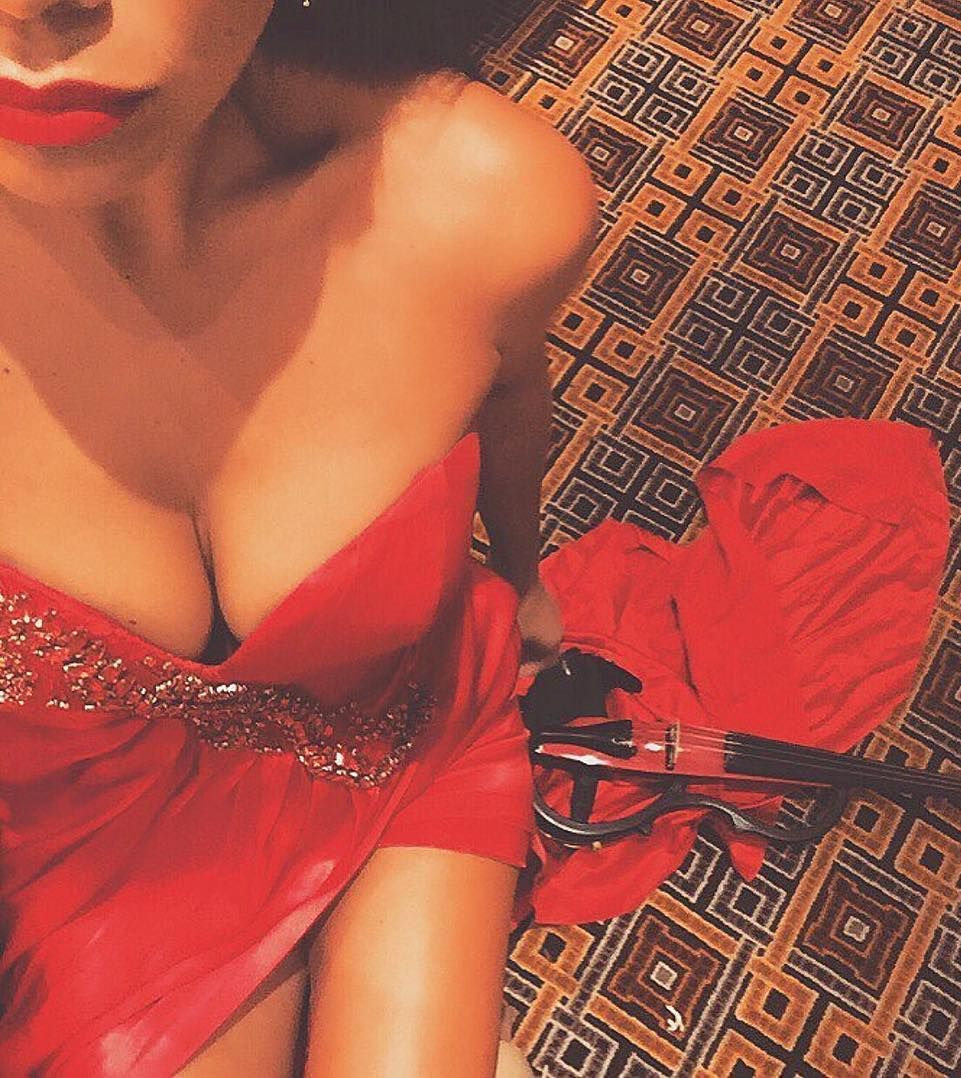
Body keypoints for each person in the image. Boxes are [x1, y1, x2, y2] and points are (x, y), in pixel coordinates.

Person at [0, 0, 592, 1073]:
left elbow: (509, 397)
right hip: (102, 825)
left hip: (399, 731)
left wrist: (524, 577)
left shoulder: (479, 194)